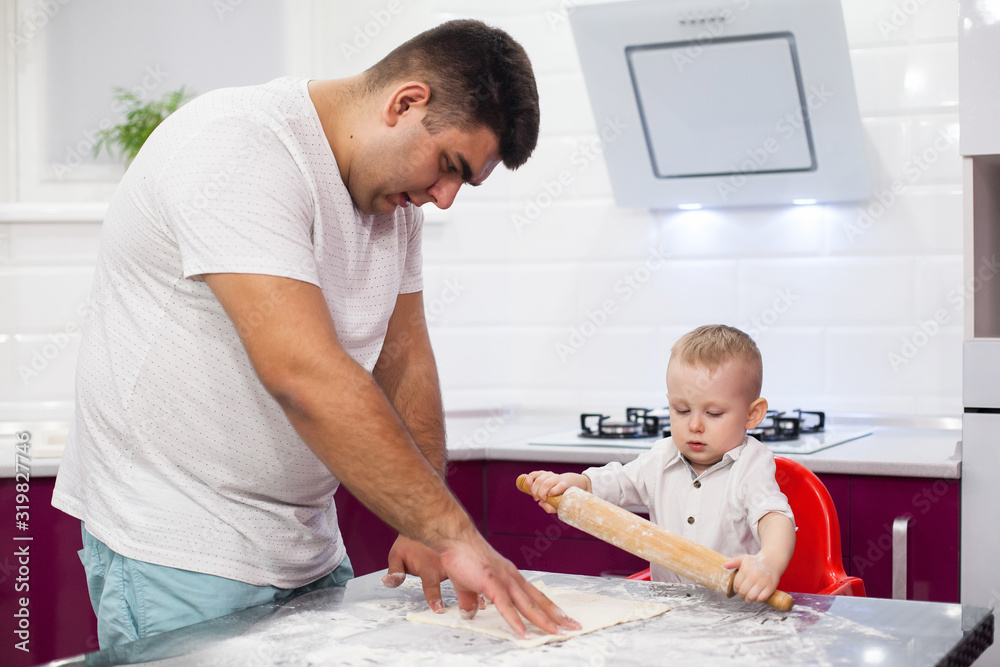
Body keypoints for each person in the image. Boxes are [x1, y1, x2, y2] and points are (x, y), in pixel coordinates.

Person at [52, 19, 579, 647]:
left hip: (308, 552)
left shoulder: (392, 204)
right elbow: (302, 374)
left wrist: (425, 521)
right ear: (405, 103)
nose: (444, 199)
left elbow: (405, 358)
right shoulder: (237, 148)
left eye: (463, 183)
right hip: (179, 554)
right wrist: (453, 533)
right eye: (449, 167)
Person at [524, 325, 796, 603]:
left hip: (734, 616)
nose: (694, 425)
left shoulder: (751, 464)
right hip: (667, 610)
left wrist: (768, 561)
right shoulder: (661, 456)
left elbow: (773, 518)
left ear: (752, 414)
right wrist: (576, 483)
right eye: (682, 410)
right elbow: (618, 482)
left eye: (714, 413)